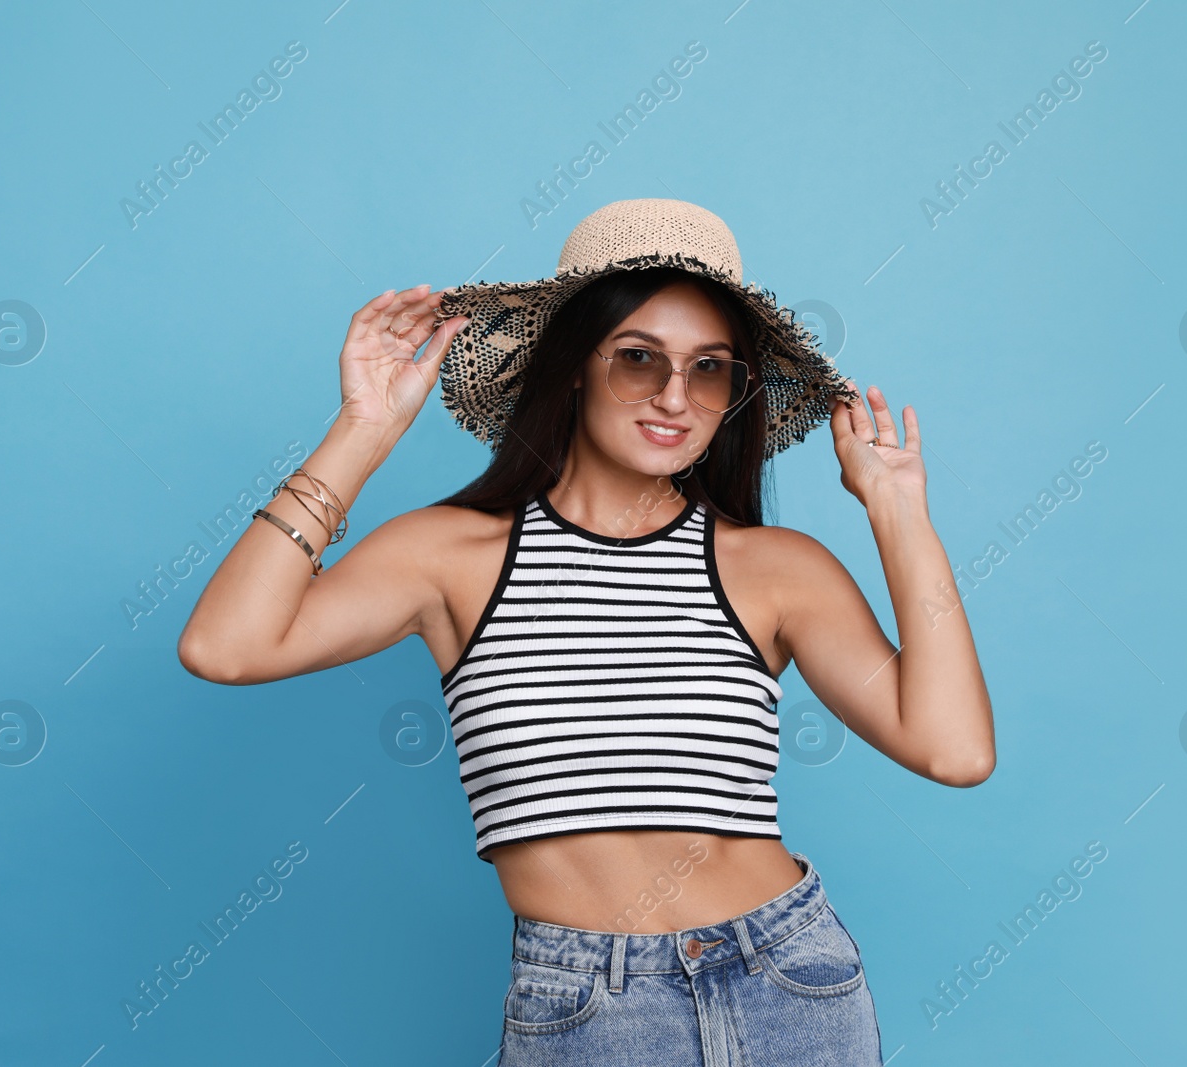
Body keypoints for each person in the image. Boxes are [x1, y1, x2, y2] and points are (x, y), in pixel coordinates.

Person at [177, 198, 995, 1065]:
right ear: (571, 364)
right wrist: (363, 431)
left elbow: (954, 750)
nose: (675, 397)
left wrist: (900, 513)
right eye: (639, 359)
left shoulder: (775, 568)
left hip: (788, 982)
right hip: (584, 1007)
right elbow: (225, 645)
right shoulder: (450, 558)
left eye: (710, 369)